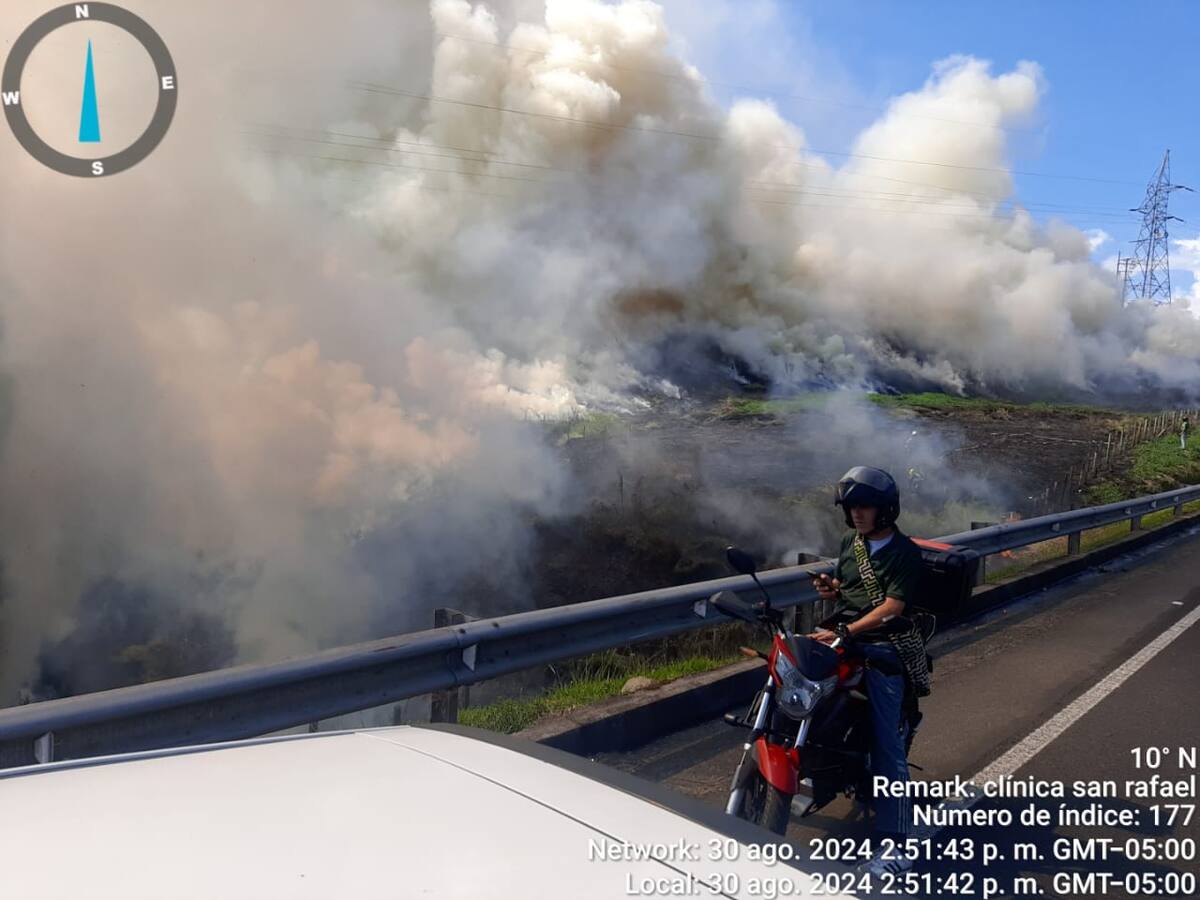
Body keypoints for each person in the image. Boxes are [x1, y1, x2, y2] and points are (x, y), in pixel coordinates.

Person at [808, 466, 927, 877]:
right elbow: (846, 587)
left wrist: (847, 629)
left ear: (885, 510)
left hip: (883, 645)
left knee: (886, 745)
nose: (857, 513)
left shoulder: (905, 553)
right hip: (845, 634)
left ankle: (897, 842)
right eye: (852, 506)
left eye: (866, 506)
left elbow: (892, 607)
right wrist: (830, 589)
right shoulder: (850, 541)